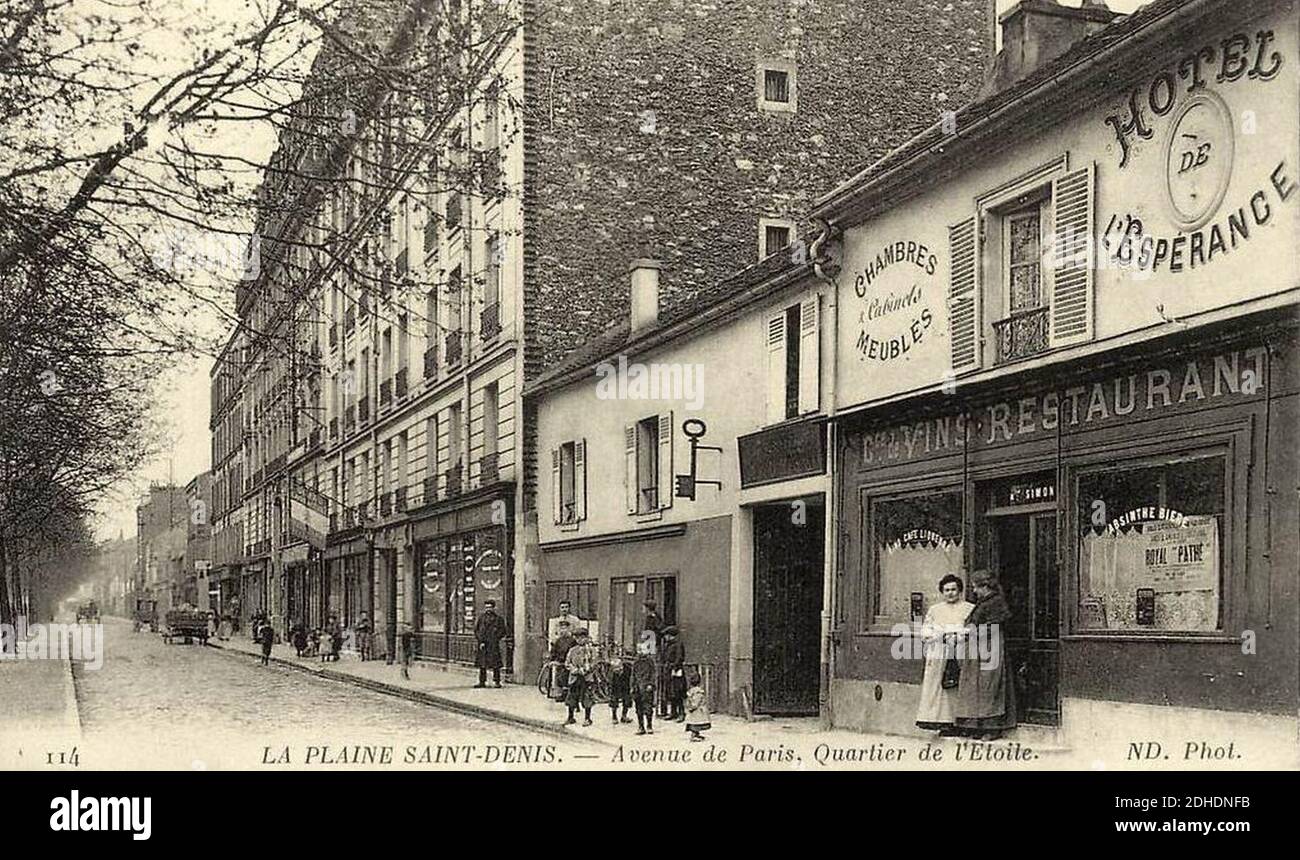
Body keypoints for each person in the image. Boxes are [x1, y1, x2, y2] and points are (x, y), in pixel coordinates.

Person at [954, 569, 1018, 740]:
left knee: (990, 687)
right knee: (977, 688)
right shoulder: (984, 602)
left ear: (985, 587)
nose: (974, 591)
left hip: (992, 648)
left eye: (976, 587)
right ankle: (979, 726)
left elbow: (995, 627)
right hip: (978, 648)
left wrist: (970, 630)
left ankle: (992, 728)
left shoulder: (996, 602)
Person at [915, 574, 976, 736]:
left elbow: (972, 629)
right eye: (947, 590)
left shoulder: (969, 608)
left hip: (961, 650)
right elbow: (926, 630)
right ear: (942, 591)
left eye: (954, 590)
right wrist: (939, 634)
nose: (950, 593)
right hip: (939, 652)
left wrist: (957, 634)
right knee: (941, 688)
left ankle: (962, 723)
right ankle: (944, 722)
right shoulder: (935, 610)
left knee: (959, 687)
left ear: (960, 591)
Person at [564, 628, 599, 726]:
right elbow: (567, 663)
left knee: (587, 697)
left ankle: (587, 718)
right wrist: (575, 669)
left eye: (582, 637)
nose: (580, 640)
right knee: (572, 697)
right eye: (577, 638)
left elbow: (594, 662)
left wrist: (586, 670)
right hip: (575, 677)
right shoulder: (572, 650)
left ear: (586, 638)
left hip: (587, 678)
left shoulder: (591, 650)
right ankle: (570, 717)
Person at [474, 599, 508, 688]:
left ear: (493, 608)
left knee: (495, 664)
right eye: (486, 607)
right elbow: (477, 630)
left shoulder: (498, 619)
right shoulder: (481, 618)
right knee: (482, 664)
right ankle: (482, 681)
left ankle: (497, 681)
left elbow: (503, 631)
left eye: (490, 607)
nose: (488, 609)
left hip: (493, 644)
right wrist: (480, 640)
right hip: (483, 644)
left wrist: (496, 638)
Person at [631, 631, 657, 735]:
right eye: (639, 650)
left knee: (648, 707)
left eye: (643, 650)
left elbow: (653, 674)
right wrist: (632, 686)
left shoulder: (650, 662)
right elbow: (633, 675)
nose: (641, 652)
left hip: (646, 687)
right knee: (638, 708)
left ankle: (649, 725)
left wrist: (651, 684)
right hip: (637, 688)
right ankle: (640, 726)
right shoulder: (636, 662)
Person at [661, 626, 687, 721]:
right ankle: (673, 712)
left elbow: (679, 657)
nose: (664, 637)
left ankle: (681, 713)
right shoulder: (668, 645)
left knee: (678, 692)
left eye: (666, 635)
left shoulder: (678, 644)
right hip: (668, 671)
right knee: (670, 692)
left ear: (670, 636)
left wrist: (674, 667)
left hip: (676, 671)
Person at [548, 620, 576, 701]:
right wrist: (552, 660)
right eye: (562, 629)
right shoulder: (558, 640)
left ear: (569, 629)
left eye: (565, 628)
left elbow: (573, 653)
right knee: (557, 672)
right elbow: (553, 652)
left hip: (569, 662)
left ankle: (566, 693)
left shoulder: (572, 641)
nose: (563, 630)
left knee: (565, 673)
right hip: (559, 662)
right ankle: (559, 692)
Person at [684, 669, 711, 741]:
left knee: (695, 722)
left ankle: (696, 734)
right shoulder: (698, 692)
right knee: (696, 723)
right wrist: (693, 706)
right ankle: (694, 735)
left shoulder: (691, 691)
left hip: (694, 710)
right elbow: (696, 702)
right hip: (697, 711)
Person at [607, 656, 632, 725]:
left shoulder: (628, 669)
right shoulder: (612, 672)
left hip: (625, 686)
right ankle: (614, 717)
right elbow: (609, 679)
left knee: (627, 701)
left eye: (618, 669)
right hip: (615, 687)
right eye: (615, 669)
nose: (617, 670)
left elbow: (631, 678)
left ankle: (624, 716)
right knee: (614, 701)